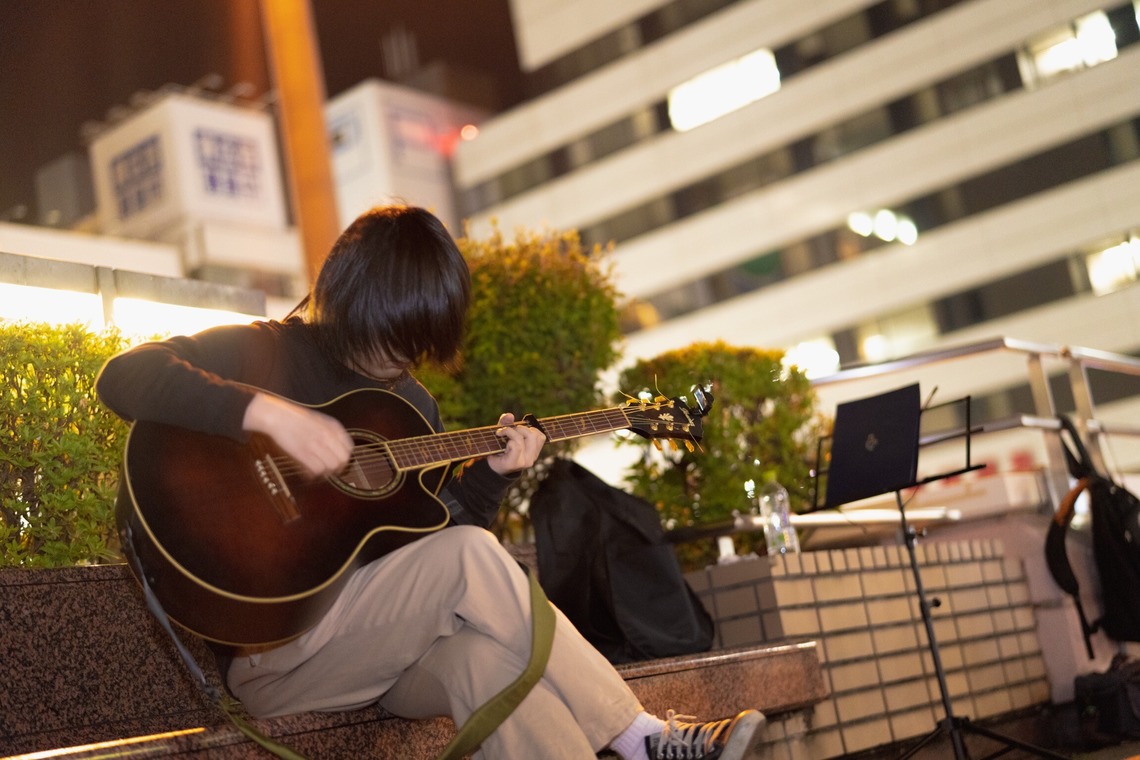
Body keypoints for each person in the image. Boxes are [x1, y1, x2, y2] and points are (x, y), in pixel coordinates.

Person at [96, 204, 766, 760]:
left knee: (491, 669)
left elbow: (430, 543)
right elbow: (124, 376)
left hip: (381, 648)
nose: (407, 355)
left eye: (422, 338)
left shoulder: (412, 408)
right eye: (398, 332)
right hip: (279, 652)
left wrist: (491, 478)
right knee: (471, 557)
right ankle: (641, 737)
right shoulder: (262, 353)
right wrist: (263, 414)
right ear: (354, 298)